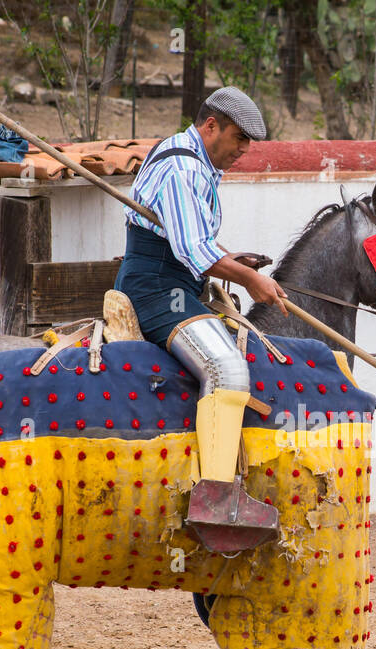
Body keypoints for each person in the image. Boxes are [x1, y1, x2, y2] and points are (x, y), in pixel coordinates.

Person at [113, 86, 286, 552]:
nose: (244, 151)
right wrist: (250, 280)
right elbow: (192, 251)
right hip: (156, 291)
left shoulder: (197, 163)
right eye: (238, 139)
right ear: (211, 126)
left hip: (176, 283)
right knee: (225, 368)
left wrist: (234, 259)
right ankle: (215, 497)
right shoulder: (182, 167)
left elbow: (196, 244)